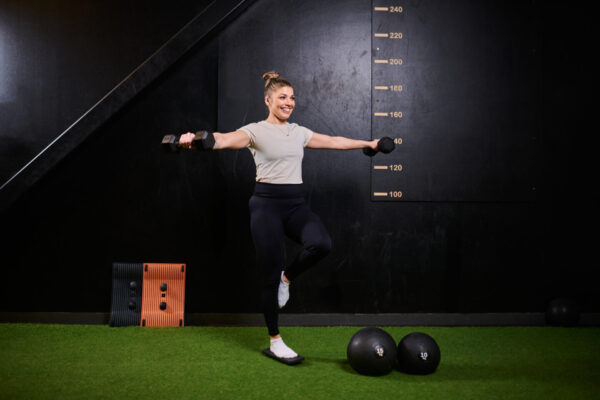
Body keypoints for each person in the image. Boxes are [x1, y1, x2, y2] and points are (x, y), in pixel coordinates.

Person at [179, 71, 381, 364]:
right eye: (282, 97)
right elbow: (224, 139)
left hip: (295, 205)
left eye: (292, 98)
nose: (289, 102)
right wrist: (198, 139)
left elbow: (334, 141)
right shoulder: (255, 131)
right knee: (269, 275)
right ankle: (275, 340)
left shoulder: (298, 132)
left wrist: (369, 143)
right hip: (266, 207)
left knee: (321, 244)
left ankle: (287, 277)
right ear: (268, 100)